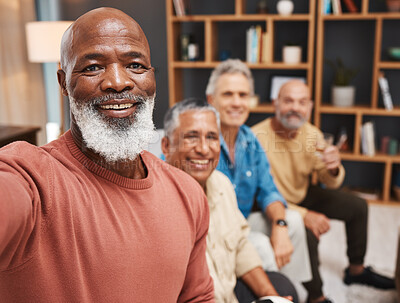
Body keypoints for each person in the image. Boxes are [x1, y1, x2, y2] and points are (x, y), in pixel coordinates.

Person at [0, 7, 214, 302]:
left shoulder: (188, 194)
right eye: (92, 67)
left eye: (136, 66)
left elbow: (196, 297)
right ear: (63, 83)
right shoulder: (31, 175)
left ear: (153, 78)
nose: (117, 81)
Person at [251, 79, 396, 303]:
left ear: (310, 107)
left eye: (302, 102)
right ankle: (316, 296)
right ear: (275, 104)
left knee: (357, 206)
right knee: (308, 235)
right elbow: (258, 195)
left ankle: (356, 270)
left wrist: (334, 167)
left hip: (302, 192)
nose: (295, 108)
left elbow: (330, 182)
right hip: (272, 205)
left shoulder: (312, 134)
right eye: (288, 101)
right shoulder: (255, 138)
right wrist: (303, 215)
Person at [161, 97, 298, 303]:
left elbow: (241, 245)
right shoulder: (157, 205)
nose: (204, 149)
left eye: (212, 137)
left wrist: (271, 297)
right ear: (166, 146)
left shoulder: (221, 183)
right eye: (191, 137)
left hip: (228, 293)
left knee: (283, 287)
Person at [205, 59, 311, 284]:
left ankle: (298, 293)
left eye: (243, 95)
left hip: (240, 222)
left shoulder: (250, 140)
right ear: (211, 100)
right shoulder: (198, 139)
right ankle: (277, 293)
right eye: (228, 95)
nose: (237, 102)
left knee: (291, 220)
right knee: (261, 245)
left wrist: (279, 225)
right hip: (211, 234)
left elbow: (269, 191)